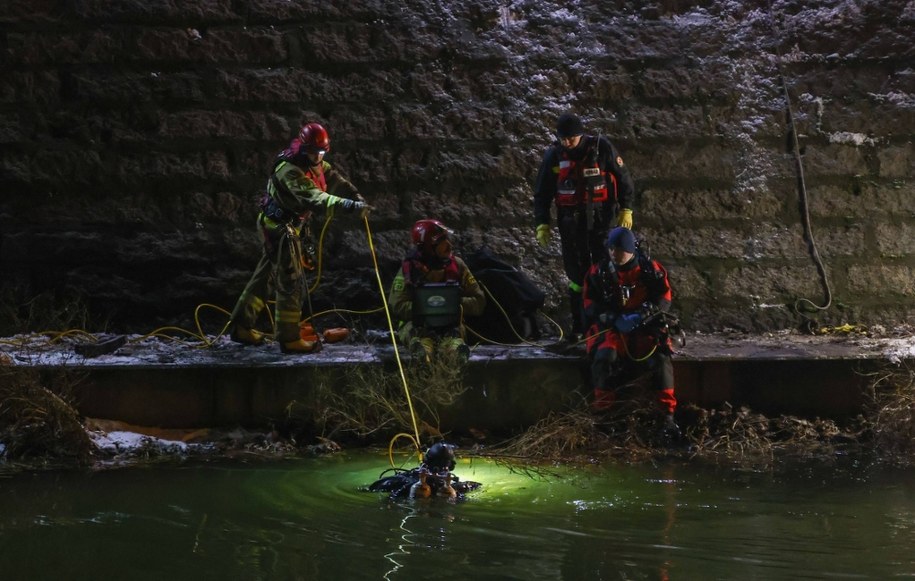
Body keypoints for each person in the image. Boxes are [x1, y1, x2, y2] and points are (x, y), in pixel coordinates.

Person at [228, 122, 370, 354]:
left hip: (287, 225)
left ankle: (241, 326)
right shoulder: (289, 170)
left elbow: (331, 176)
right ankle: (289, 338)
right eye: (314, 153)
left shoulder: (313, 161)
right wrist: (349, 206)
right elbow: (315, 198)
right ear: (303, 149)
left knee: (265, 278)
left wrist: (353, 193)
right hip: (278, 227)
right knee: (290, 281)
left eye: (322, 153)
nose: (318, 158)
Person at [533, 111, 635, 337]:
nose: (567, 143)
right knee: (576, 275)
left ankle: (605, 325)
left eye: (571, 138)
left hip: (601, 219)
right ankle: (580, 327)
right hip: (570, 221)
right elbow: (542, 191)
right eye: (563, 139)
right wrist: (542, 223)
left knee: (605, 270)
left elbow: (623, 177)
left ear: (580, 135)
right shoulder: (555, 155)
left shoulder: (601, 148)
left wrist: (626, 208)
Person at [582, 227, 680, 438]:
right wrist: (609, 318)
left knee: (661, 359)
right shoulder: (598, 272)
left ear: (631, 251)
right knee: (604, 356)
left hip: (644, 327)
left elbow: (665, 298)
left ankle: (667, 416)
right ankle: (604, 414)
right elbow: (589, 302)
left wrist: (646, 314)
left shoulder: (650, 270)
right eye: (611, 249)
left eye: (619, 250)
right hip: (613, 328)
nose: (614, 254)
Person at [388, 219, 485, 363]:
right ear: (428, 247)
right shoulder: (410, 270)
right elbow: (396, 305)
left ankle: (455, 350)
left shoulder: (457, 265)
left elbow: (479, 302)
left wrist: (454, 305)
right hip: (418, 324)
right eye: (442, 241)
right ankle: (421, 350)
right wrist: (426, 310)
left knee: (455, 336)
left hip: (450, 324)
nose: (449, 245)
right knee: (413, 333)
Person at [368, 442, 481, 500]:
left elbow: (372, 488)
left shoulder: (403, 481)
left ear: (425, 462)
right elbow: (477, 487)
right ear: (451, 467)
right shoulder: (458, 487)